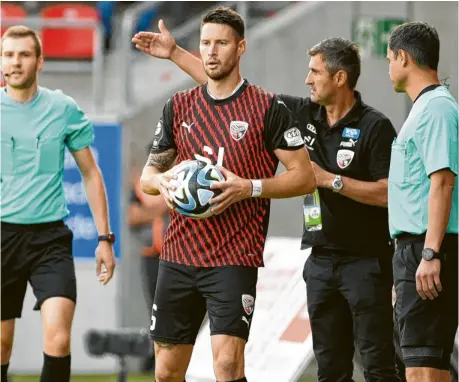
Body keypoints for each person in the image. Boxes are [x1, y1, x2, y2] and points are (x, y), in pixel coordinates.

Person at [133, 21, 402, 382]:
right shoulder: (301, 113)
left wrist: (326, 180)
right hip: (320, 257)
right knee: (331, 366)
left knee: (376, 361)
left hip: (363, 258)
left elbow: (386, 192)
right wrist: (176, 54)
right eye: (206, 43)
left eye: (315, 72)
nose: (307, 80)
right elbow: (226, 91)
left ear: (340, 78)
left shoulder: (374, 126)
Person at [138, 7, 316, 382]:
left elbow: (304, 177)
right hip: (179, 255)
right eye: (205, 43)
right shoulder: (179, 106)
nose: (212, 51)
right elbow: (147, 177)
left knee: (228, 365)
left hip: (233, 257)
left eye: (221, 43)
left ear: (241, 47)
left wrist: (248, 187)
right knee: (167, 371)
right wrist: (166, 181)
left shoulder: (267, 108)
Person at [1, 26, 116, 382]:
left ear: (40, 61)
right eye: (8, 54)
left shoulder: (63, 109)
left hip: (50, 240)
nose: (15, 62)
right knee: (2, 344)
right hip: (2, 237)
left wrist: (104, 238)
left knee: (59, 337)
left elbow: (92, 174)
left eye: (23, 54)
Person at [387, 21, 458, 382]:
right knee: (420, 366)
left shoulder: (436, 109)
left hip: (428, 249)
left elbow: (442, 182)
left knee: (424, 370)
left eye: (389, 59)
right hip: (412, 249)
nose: (388, 69)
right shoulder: (423, 108)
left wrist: (430, 254)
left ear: (402, 57)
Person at [128, 151, 169, 374]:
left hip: (175, 256)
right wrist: (161, 207)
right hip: (151, 256)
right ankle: (155, 354)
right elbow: (133, 217)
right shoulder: (139, 187)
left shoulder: (179, 180)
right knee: (154, 308)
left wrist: (150, 210)